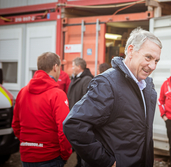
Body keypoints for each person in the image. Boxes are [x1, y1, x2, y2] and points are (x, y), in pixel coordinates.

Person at [63, 27, 162, 167]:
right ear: (131, 50)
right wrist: (107, 162)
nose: (152, 66)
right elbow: (74, 125)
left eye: (156, 61)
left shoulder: (147, 85)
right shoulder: (107, 84)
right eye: (148, 57)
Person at [12, 52, 72, 166]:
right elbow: (64, 129)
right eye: (59, 68)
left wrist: (29, 143)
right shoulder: (58, 94)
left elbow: (16, 125)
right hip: (51, 156)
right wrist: (65, 154)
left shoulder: (22, 92)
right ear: (55, 67)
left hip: (27, 156)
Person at [67, 57, 93, 167]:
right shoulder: (76, 78)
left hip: (80, 119)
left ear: (79, 67)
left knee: (81, 145)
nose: (71, 68)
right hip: (74, 118)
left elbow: (86, 101)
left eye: (73, 66)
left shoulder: (86, 79)